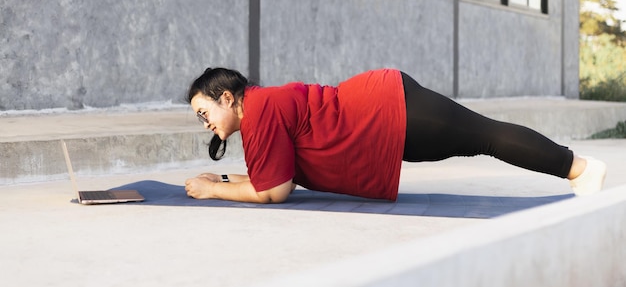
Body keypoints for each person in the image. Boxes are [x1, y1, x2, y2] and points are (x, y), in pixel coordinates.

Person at [184, 67, 607, 203]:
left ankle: (581, 168)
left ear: (227, 97)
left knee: (487, 137)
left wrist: (212, 191)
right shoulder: (260, 108)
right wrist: (220, 180)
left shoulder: (262, 109)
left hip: (386, 113)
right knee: (482, 138)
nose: (206, 123)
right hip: (384, 114)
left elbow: (274, 191)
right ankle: (577, 169)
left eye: (205, 111)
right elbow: (270, 178)